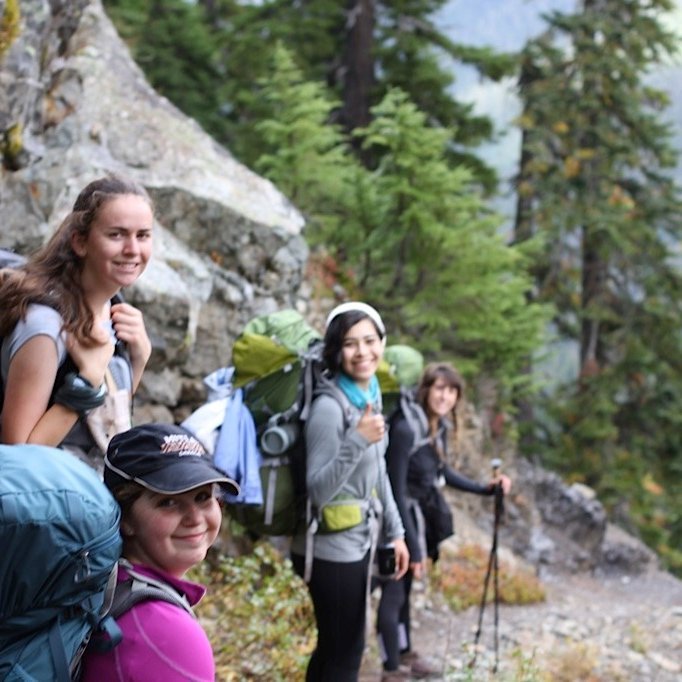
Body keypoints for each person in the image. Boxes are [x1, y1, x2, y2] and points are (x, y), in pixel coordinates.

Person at [290, 301, 410, 682]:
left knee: (334, 649)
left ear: (382, 342)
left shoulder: (368, 398)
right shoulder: (329, 406)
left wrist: (397, 532)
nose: (362, 352)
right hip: (329, 549)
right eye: (350, 343)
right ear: (335, 351)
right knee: (345, 655)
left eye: (370, 340)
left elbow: (380, 474)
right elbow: (317, 490)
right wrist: (357, 440)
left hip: (357, 540)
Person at [0, 175, 153, 467]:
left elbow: (96, 425)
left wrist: (138, 362)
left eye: (143, 235)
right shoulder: (44, 328)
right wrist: (87, 382)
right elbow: (16, 458)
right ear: (80, 242)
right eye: (117, 235)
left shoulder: (113, 311)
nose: (133, 249)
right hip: (41, 503)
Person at [377, 362, 511, 681]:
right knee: (394, 592)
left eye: (452, 391)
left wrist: (484, 489)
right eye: (440, 389)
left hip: (412, 519)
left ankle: (404, 653)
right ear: (426, 390)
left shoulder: (433, 427)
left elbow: (441, 472)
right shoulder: (407, 429)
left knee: (405, 589)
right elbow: (393, 488)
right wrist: (409, 542)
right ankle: (390, 669)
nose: (445, 397)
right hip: (392, 522)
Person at [80, 422, 240, 682]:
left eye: (202, 496)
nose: (195, 518)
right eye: (168, 502)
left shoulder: (110, 583)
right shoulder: (166, 631)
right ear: (125, 518)